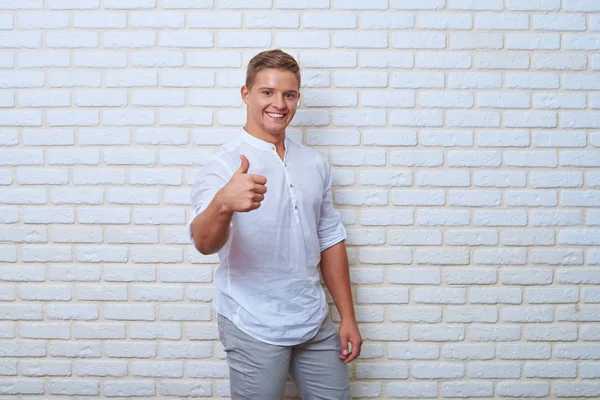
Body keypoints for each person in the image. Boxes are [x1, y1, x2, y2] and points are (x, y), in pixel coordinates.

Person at [187, 49, 362, 400]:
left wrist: (347, 316)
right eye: (267, 92)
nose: (278, 103)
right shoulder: (223, 164)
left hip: (313, 319)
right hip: (252, 321)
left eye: (289, 94)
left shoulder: (314, 163)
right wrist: (223, 203)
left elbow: (329, 238)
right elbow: (203, 243)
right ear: (246, 94)